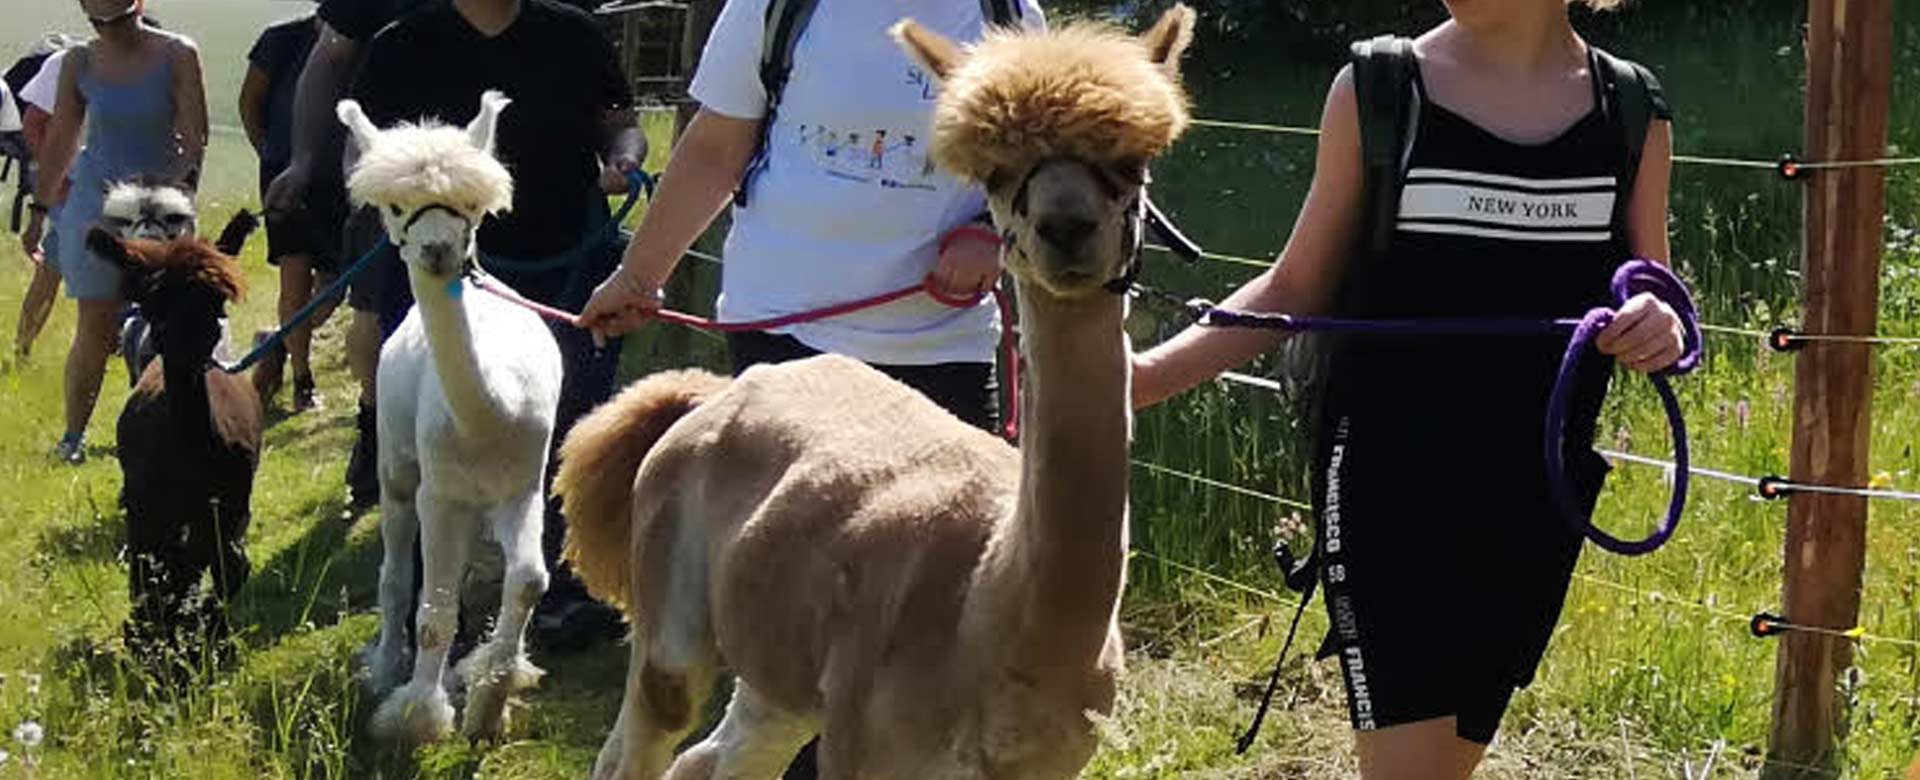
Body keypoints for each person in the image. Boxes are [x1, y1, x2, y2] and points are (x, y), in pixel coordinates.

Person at [1129, 0, 1681, 776]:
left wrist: (1658, 326)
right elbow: (1294, 287)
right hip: (1389, 488)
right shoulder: (1381, 88)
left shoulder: (1631, 109)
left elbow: (1653, 294)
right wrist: (1141, 380)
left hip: (1538, 501)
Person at [575, 0, 1038, 775]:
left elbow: (1047, 162)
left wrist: (991, 233)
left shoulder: (1006, 11)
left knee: (933, 619)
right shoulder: (779, 7)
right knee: (794, 618)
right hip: (789, 340)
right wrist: (639, 275)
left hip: (937, 353)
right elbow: (717, 150)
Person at [348, 0, 645, 649]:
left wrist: (625, 157)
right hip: (439, 272)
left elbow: (619, 125)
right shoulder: (403, 44)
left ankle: (567, 586)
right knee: (440, 424)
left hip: (563, 264)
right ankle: (432, 605)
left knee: (575, 421)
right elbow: (362, 152)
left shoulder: (573, 35)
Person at [263, 0, 434, 510]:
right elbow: (325, 62)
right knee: (375, 318)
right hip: (381, 181)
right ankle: (374, 426)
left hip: (480, 182)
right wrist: (302, 160)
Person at [24, 0, 207, 465]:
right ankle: (73, 437)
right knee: (94, 324)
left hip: (160, 204)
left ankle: (174, 424)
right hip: (94, 203)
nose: (111, 31)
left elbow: (194, 137)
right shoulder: (79, 61)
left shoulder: (178, 54)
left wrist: (170, 196)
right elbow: (63, 135)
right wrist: (41, 208)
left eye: (119, 20)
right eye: (98, 23)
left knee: (171, 318)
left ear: (139, 7)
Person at [240, 8, 335, 412]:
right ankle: (303, 381)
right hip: (285, 176)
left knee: (334, 286)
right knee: (294, 278)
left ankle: (276, 340)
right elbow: (250, 102)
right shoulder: (279, 39)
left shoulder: (369, 38)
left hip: (339, 181)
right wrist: (270, 154)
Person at [14, 44, 72, 360]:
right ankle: (21, 348)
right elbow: (33, 124)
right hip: (72, 186)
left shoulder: (156, 61)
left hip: (127, 191)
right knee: (52, 268)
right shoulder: (66, 63)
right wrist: (56, 175)